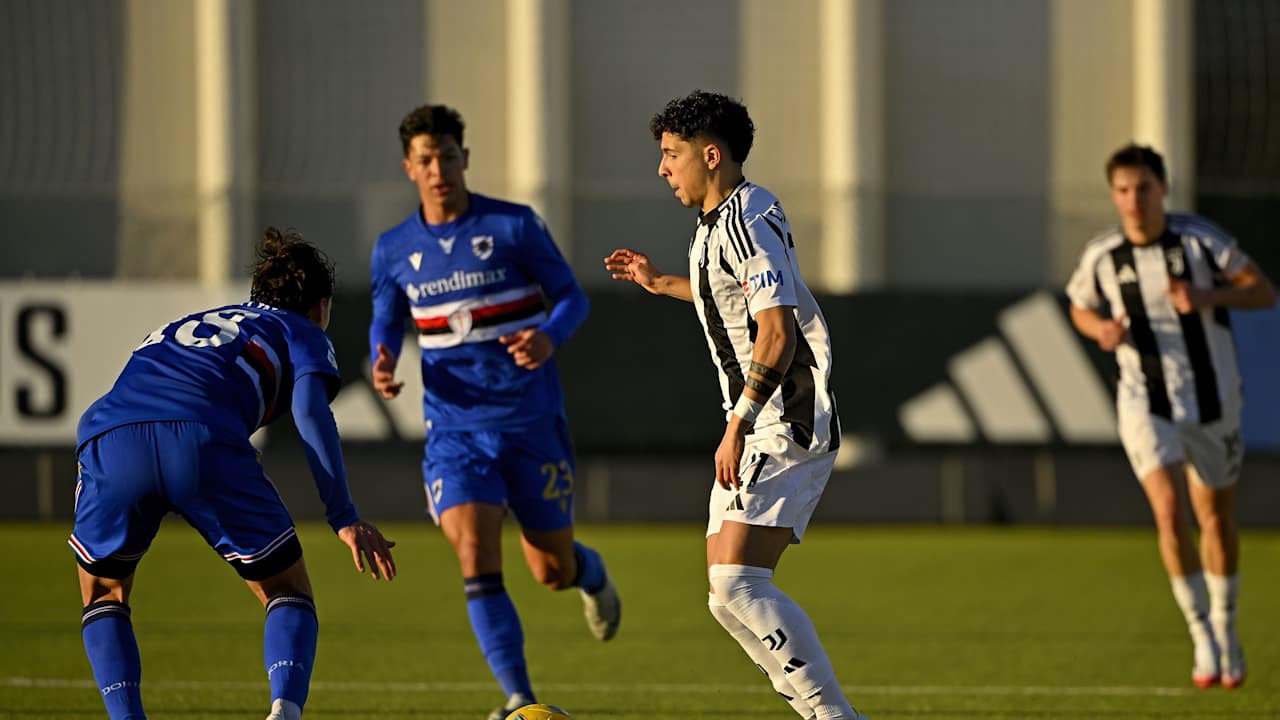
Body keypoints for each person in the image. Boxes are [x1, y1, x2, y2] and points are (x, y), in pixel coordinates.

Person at [605, 90, 866, 720]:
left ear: (711, 155)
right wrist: (659, 280)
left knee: (737, 582)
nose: (664, 169)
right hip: (762, 420)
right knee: (726, 595)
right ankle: (822, 714)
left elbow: (775, 330)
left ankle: (833, 717)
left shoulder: (748, 217)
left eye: (672, 155)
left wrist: (738, 424)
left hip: (785, 415)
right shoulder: (716, 225)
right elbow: (725, 302)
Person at [70, 228, 398, 720]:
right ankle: (284, 710)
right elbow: (312, 414)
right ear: (322, 306)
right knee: (286, 590)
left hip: (110, 436)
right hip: (203, 440)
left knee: (103, 591)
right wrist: (343, 515)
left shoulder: (185, 323)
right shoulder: (302, 329)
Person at [369, 104, 620, 720]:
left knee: (550, 571)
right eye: (425, 160)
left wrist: (548, 337)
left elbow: (572, 297)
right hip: (455, 433)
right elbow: (386, 316)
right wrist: (379, 357)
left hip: (531, 424)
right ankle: (519, 699)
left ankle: (589, 572)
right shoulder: (394, 249)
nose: (438, 170)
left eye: (447, 156)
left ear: (465, 159)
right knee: (475, 554)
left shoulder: (514, 227)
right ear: (409, 168)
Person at [1066, 143, 1275, 689]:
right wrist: (1100, 331)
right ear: (1114, 195)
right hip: (1144, 398)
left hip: (1213, 398)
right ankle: (1200, 632)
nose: (1133, 201)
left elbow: (1262, 292)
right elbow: (1080, 306)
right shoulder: (1104, 255)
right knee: (1166, 509)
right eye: (1123, 190)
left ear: (1163, 189)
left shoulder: (1200, 240)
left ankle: (1227, 631)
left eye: (1144, 188)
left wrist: (1205, 296)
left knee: (1216, 516)